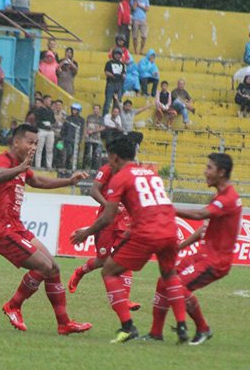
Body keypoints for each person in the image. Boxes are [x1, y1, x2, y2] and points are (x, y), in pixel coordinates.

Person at [70, 136, 189, 344]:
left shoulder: (120, 177)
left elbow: (108, 216)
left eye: (109, 157)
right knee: (169, 275)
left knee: (109, 270)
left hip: (147, 232)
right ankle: (181, 327)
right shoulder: (151, 173)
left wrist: (86, 232)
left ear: (114, 157)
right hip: (170, 228)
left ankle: (128, 326)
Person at [0, 123, 93, 335]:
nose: (33, 147)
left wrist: (69, 181)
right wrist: (21, 168)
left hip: (17, 228)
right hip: (3, 231)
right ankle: (13, 305)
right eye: (30, 142)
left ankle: (64, 323)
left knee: (53, 268)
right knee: (44, 267)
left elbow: (38, 181)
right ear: (16, 141)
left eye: (36, 143)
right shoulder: (3, 160)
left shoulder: (21, 166)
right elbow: (0, 175)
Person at [144, 153, 242, 345]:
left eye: (209, 168)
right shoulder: (221, 197)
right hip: (202, 256)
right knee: (164, 281)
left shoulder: (228, 198)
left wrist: (166, 208)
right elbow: (203, 227)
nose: (205, 172)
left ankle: (203, 329)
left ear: (221, 172)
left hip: (215, 262)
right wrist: (179, 247)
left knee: (177, 288)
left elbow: (199, 214)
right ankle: (156, 333)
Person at [68, 155, 140, 312]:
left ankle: (125, 300)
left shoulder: (133, 172)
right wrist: (109, 206)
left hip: (125, 222)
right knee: (103, 260)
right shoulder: (107, 169)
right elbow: (94, 191)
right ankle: (80, 271)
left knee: (125, 258)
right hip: (106, 221)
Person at [59, 103, 84, 170]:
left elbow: (81, 130)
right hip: (67, 139)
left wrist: (80, 139)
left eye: (76, 110)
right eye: (73, 110)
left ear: (78, 111)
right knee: (68, 152)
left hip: (76, 140)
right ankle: (66, 165)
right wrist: (62, 137)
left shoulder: (81, 120)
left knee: (75, 154)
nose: (74, 111)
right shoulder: (68, 118)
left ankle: (73, 167)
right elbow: (64, 128)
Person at [34, 94, 56, 169]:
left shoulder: (50, 111)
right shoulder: (39, 110)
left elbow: (53, 120)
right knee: (39, 148)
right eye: (49, 100)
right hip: (42, 130)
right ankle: (38, 165)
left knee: (49, 149)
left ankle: (49, 165)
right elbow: (37, 121)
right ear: (45, 100)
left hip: (50, 130)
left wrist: (51, 125)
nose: (50, 102)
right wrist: (45, 125)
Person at [103, 48, 126, 115]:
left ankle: (115, 117)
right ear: (113, 54)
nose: (117, 56)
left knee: (117, 103)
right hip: (111, 83)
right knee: (108, 102)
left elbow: (124, 73)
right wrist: (113, 76)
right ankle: (105, 117)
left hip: (119, 84)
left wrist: (123, 76)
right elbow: (106, 72)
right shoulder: (109, 63)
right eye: (116, 54)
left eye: (119, 54)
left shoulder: (122, 64)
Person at [84, 104, 105, 170]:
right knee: (87, 154)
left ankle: (93, 169)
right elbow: (86, 125)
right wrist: (85, 133)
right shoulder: (89, 117)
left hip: (97, 139)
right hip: (88, 138)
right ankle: (85, 167)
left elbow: (102, 128)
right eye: (95, 108)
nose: (96, 110)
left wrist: (93, 131)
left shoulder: (101, 118)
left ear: (99, 110)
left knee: (95, 154)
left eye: (97, 109)